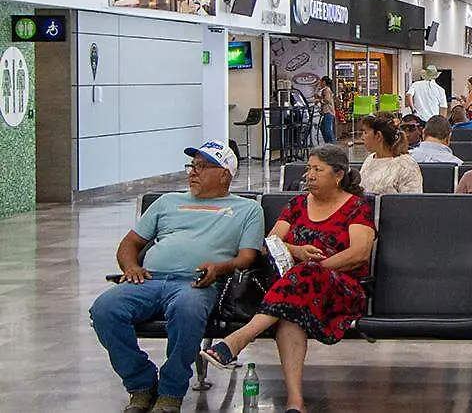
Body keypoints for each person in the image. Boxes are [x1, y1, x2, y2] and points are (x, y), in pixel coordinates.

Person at [200, 144, 376, 413]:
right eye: (308, 169)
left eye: (318, 169)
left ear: (338, 174)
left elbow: (360, 253)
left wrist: (318, 269)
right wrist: (295, 251)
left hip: (342, 290)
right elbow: (270, 242)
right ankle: (295, 402)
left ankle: (239, 338)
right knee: (290, 314)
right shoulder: (296, 205)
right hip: (293, 294)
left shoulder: (356, 207)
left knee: (301, 281)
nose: (310, 175)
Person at [91, 141, 263, 413]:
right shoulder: (168, 201)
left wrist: (219, 268)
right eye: (192, 165)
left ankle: (171, 390)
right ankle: (141, 384)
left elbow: (247, 257)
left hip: (195, 284)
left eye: (202, 166)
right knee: (104, 309)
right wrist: (130, 267)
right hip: (149, 279)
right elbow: (130, 244)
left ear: (224, 174)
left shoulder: (247, 209)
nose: (193, 172)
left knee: (187, 311)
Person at [358, 115, 423, 194]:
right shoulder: (370, 159)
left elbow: (412, 201)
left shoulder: (406, 165)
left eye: (365, 132)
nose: (362, 137)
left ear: (378, 135)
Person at [314, 76, 337, 143]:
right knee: (323, 127)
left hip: (328, 112)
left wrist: (318, 100)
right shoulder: (326, 89)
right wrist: (318, 97)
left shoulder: (326, 90)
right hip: (327, 112)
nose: (320, 83)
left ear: (324, 82)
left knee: (326, 129)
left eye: (321, 81)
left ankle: (331, 144)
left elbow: (326, 100)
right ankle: (328, 143)